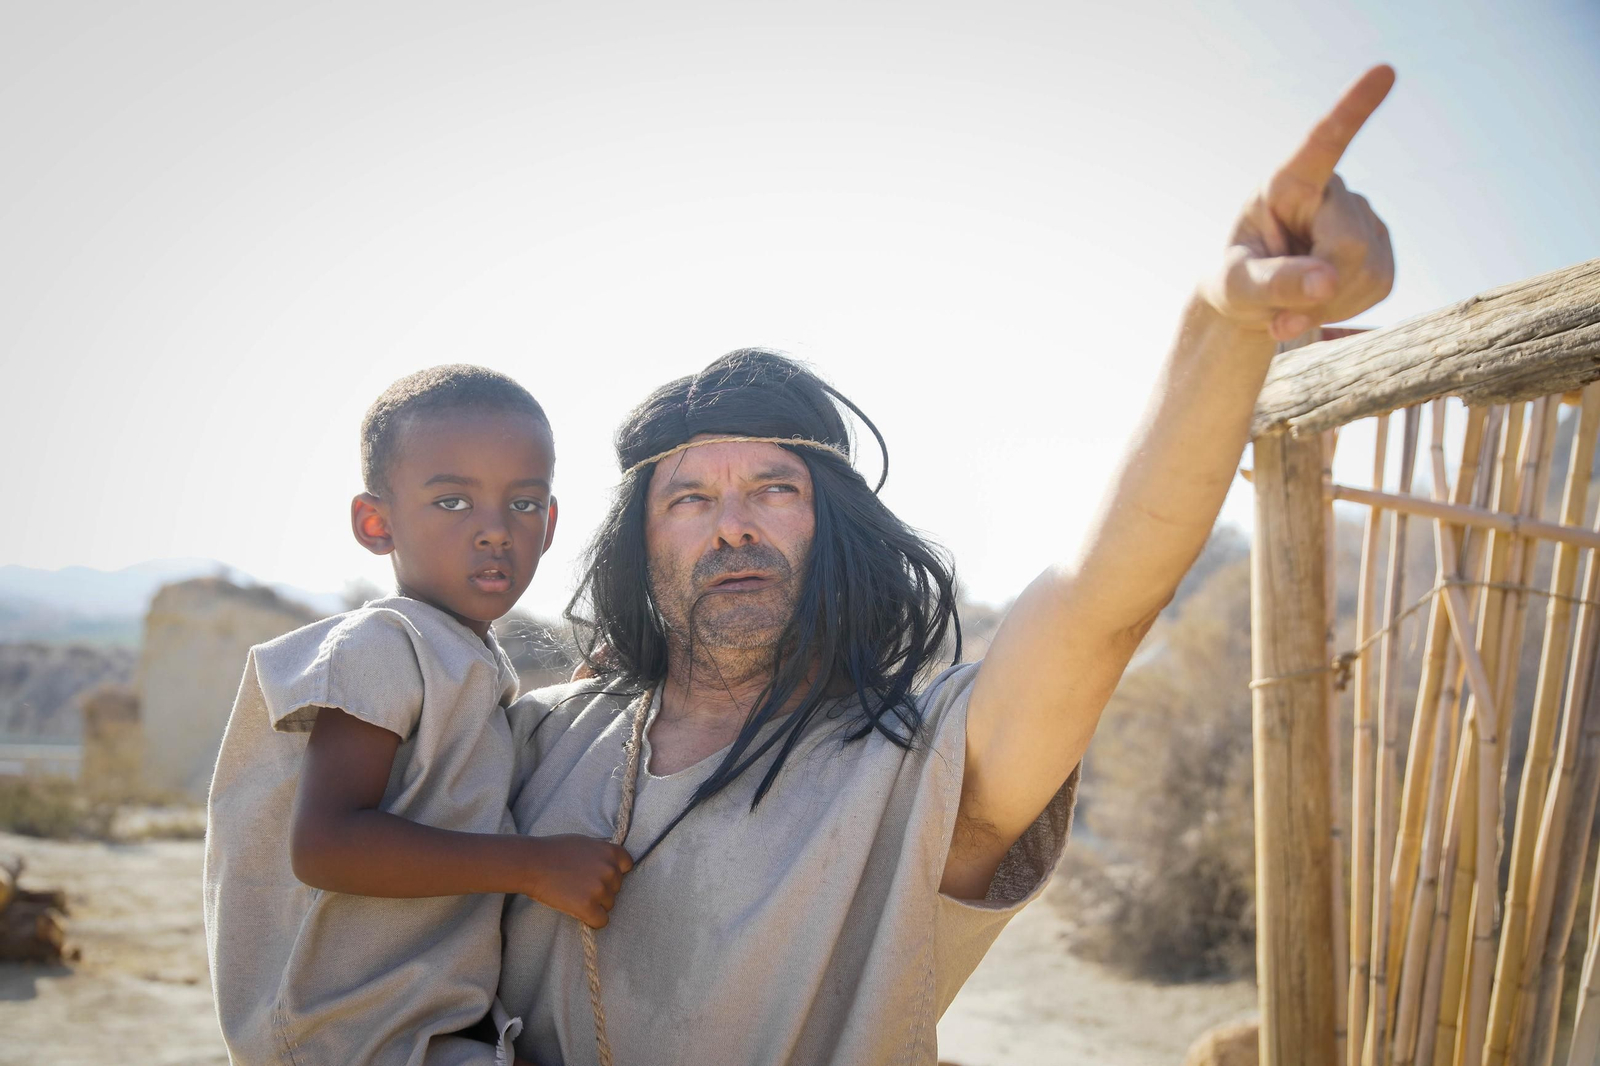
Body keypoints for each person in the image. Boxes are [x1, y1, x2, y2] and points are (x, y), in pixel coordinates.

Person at [476, 65, 1399, 1065]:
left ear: (833, 527)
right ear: (639, 542)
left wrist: (1219, 328)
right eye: (689, 498)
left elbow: (1099, 604)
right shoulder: (532, 737)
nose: (731, 526)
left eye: (775, 488)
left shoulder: (914, 771)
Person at [203, 365, 632, 1066]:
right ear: (376, 523)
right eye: (454, 503)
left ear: (551, 524)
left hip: (422, 1023)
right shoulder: (381, 645)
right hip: (347, 1035)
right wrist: (532, 867)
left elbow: (461, 780)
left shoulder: (467, 655)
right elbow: (327, 845)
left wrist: (585, 696)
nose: (495, 531)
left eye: (523, 504)